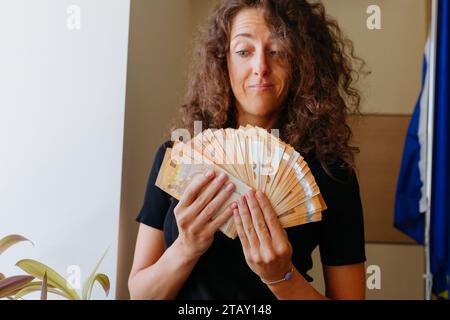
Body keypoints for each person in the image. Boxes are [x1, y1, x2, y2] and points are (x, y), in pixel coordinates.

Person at [128, 0, 367, 300]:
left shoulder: (331, 173)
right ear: (223, 61)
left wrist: (281, 277)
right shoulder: (178, 158)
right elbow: (140, 295)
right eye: (243, 51)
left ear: (302, 61)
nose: (261, 68)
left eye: (278, 51)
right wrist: (185, 248)